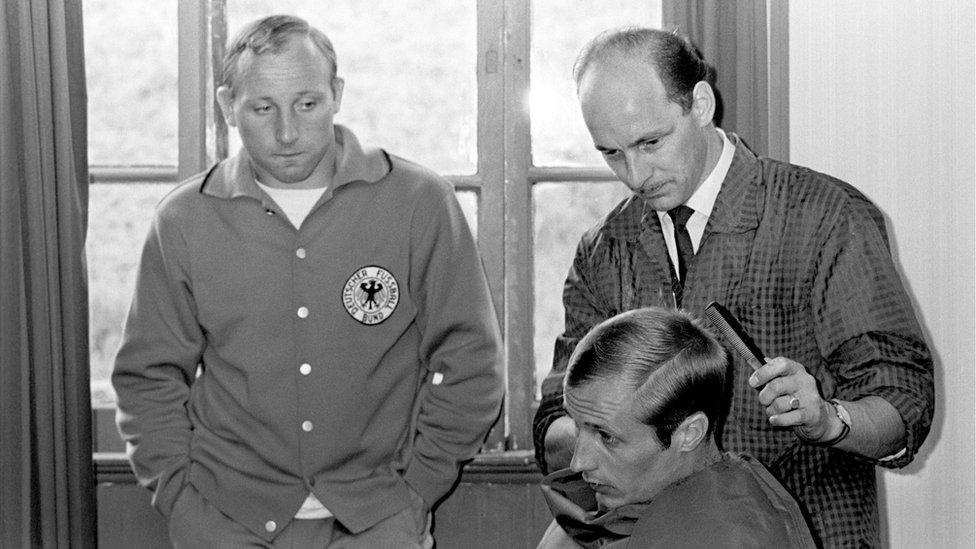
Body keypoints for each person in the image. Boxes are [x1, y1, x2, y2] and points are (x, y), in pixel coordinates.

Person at [533, 27, 934, 548]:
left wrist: (829, 420)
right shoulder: (603, 249)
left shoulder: (825, 217)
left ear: (700, 103)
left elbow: (905, 402)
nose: (635, 174)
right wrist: (607, 434)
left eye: (650, 142)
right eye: (611, 153)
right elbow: (554, 423)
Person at [113, 14, 504, 548]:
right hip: (225, 518)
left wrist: (418, 489)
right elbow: (148, 379)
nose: (288, 133)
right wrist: (180, 500)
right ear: (229, 106)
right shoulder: (183, 221)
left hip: (380, 516)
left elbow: (472, 363)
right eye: (262, 108)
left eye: (307, 103)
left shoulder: (419, 203)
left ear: (337, 94)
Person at [536, 307, 816, 548]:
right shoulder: (591, 513)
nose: (577, 463)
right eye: (577, 425)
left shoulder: (727, 536)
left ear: (689, 433)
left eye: (606, 436)